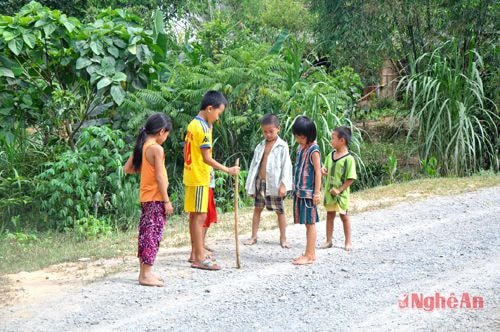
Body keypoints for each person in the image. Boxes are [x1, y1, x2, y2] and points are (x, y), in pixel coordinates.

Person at [183, 90, 239, 270]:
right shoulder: (203, 128)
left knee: (195, 216)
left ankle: (195, 253)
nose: (217, 117)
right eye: (218, 113)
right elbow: (207, 157)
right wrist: (228, 169)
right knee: (200, 217)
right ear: (209, 108)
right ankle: (200, 257)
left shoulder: (194, 124)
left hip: (191, 175)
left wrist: (211, 124)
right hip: (200, 176)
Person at [123, 112, 174, 287]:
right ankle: (145, 275)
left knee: (146, 234)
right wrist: (167, 200)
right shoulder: (156, 149)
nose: (166, 138)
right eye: (167, 134)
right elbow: (160, 177)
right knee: (152, 235)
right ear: (161, 132)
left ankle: (146, 272)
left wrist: (146, 171)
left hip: (146, 198)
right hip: (156, 198)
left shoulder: (143, 145)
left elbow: (128, 168)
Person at [244, 113, 293, 248]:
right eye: (265, 132)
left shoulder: (282, 146)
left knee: (280, 211)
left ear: (278, 129)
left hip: (275, 184)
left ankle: (283, 238)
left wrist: (284, 184)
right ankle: (253, 236)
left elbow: (286, 166)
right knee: (257, 208)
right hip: (260, 182)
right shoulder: (260, 146)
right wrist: (251, 186)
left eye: (271, 131)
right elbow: (254, 166)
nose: (268, 134)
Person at [320, 126, 357, 251]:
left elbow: (351, 178)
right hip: (329, 193)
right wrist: (323, 170)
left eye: (333, 138)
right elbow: (325, 167)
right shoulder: (330, 155)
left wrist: (340, 189)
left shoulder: (349, 159)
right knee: (330, 215)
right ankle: (328, 240)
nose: (331, 140)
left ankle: (348, 241)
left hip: (341, 195)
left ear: (342, 140)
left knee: (344, 216)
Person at [291, 116, 322, 265]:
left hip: (309, 194)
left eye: (301, 137)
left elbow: (318, 172)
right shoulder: (300, 148)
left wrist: (317, 193)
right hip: (300, 192)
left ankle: (310, 254)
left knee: (310, 223)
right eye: (297, 136)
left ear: (309, 136)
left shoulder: (314, 150)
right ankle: (308, 252)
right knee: (306, 223)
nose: (298, 139)